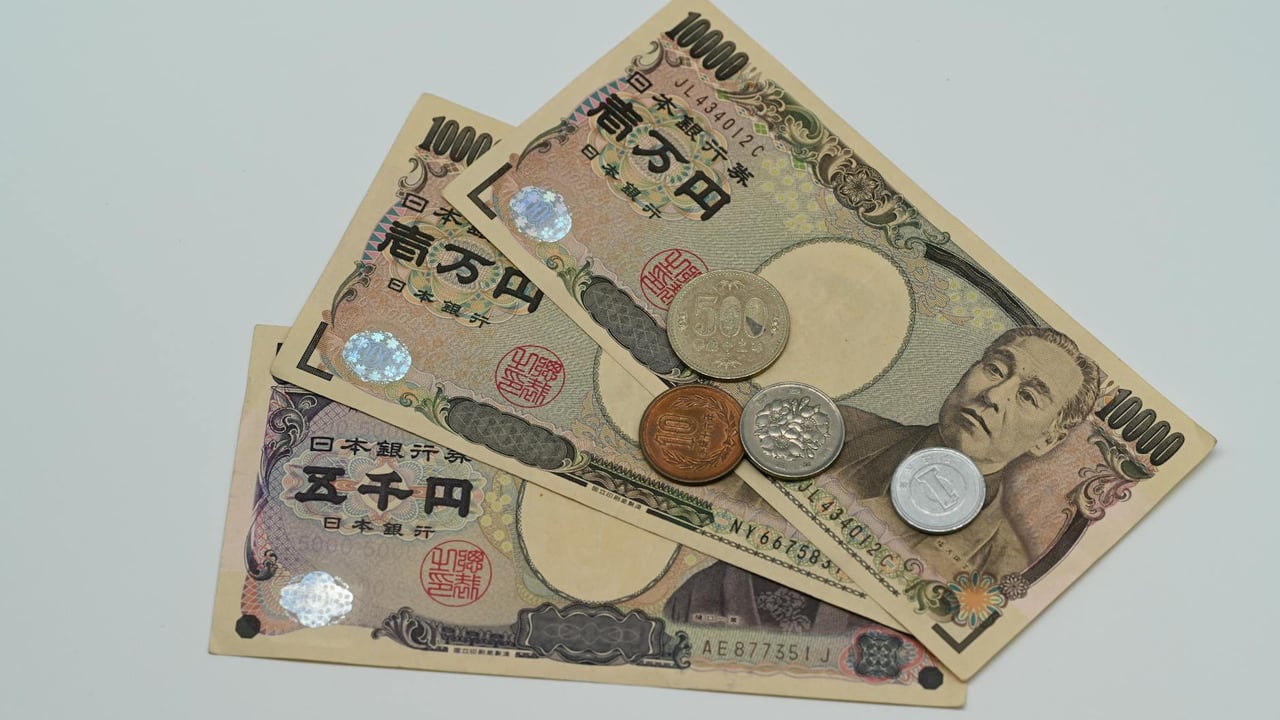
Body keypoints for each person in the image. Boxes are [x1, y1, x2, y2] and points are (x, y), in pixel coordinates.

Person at [826, 325, 1100, 581]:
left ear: (1048, 439)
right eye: (995, 369)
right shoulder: (839, 427)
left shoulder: (1005, 567)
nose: (993, 395)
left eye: (1027, 397)